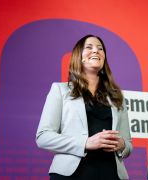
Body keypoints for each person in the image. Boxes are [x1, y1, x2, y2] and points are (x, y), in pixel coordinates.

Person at [36, 34, 132, 180]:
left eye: (100, 49)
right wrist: (85, 143)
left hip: (111, 173)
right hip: (71, 174)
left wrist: (122, 144)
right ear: (78, 56)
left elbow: (128, 144)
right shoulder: (60, 90)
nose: (96, 51)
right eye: (89, 47)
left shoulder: (117, 96)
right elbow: (43, 137)